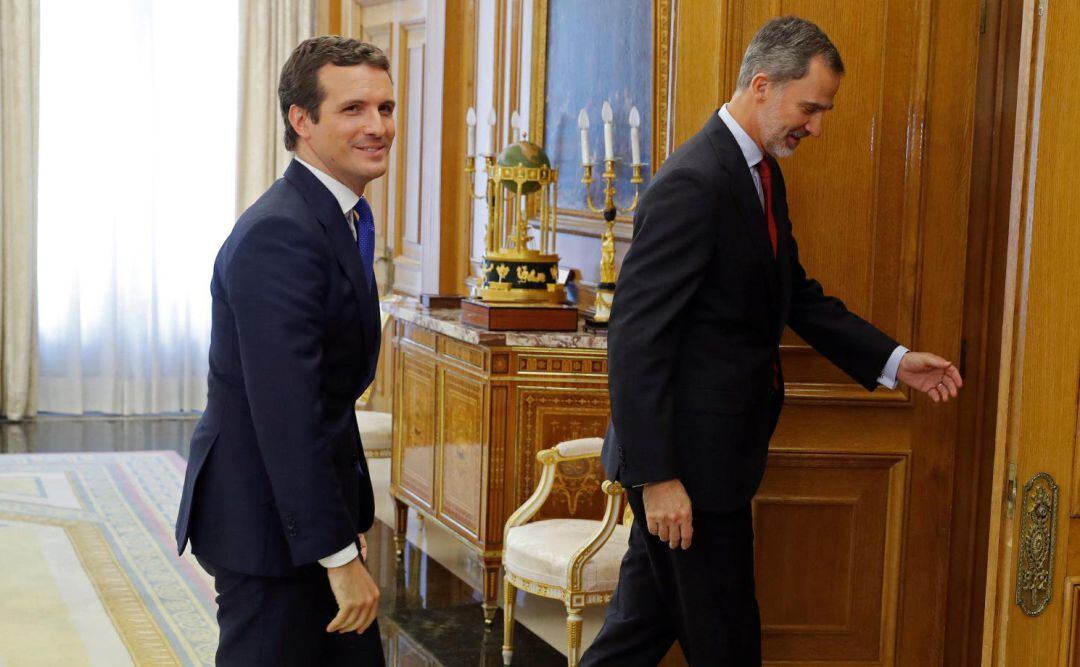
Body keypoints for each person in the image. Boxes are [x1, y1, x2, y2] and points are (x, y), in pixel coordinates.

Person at [582, 16, 963, 666]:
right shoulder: (694, 182)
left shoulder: (758, 174)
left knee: (635, 637)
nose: (816, 126)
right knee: (728, 646)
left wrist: (894, 361)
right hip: (688, 475)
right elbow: (637, 338)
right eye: (810, 107)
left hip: (712, 466)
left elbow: (796, 294)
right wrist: (659, 478)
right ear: (762, 84)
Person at [175, 36, 395, 666]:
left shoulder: (331, 216)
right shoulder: (282, 232)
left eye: (385, 108)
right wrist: (339, 557)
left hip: (300, 510)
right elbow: (288, 413)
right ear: (302, 120)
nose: (377, 126)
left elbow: (325, 397)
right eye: (353, 109)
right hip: (266, 525)